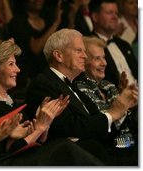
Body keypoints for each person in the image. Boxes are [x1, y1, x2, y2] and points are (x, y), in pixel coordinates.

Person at [0, 38, 104, 166]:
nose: (18, 69)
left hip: (31, 157)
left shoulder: (12, 101)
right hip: (14, 164)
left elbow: (38, 140)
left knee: (85, 146)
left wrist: (45, 121)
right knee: (65, 148)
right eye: (11, 64)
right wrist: (40, 127)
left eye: (16, 63)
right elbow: (9, 151)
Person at [25, 28, 138, 165]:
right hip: (79, 158)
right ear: (59, 56)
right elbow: (70, 128)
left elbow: (98, 123)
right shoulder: (44, 84)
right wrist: (113, 113)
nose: (84, 56)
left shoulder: (72, 85)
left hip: (103, 148)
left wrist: (124, 108)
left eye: (84, 51)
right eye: (79, 51)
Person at [73, 36, 138, 165]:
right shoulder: (79, 88)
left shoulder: (109, 85)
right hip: (109, 153)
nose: (104, 63)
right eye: (97, 59)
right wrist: (121, 106)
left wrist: (131, 103)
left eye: (104, 57)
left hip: (130, 145)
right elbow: (103, 128)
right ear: (84, 62)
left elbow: (128, 123)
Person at [6, 0, 63, 96]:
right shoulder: (18, 22)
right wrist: (56, 23)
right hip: (28, 72)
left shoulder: (47, 19)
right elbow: (35, 48)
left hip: (48, 67)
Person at [88, 0, 138, 87]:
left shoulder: (124, 44)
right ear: (95, 17)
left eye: (116, 13)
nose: (115, 17)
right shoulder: (89, 46)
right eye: (110, 13)